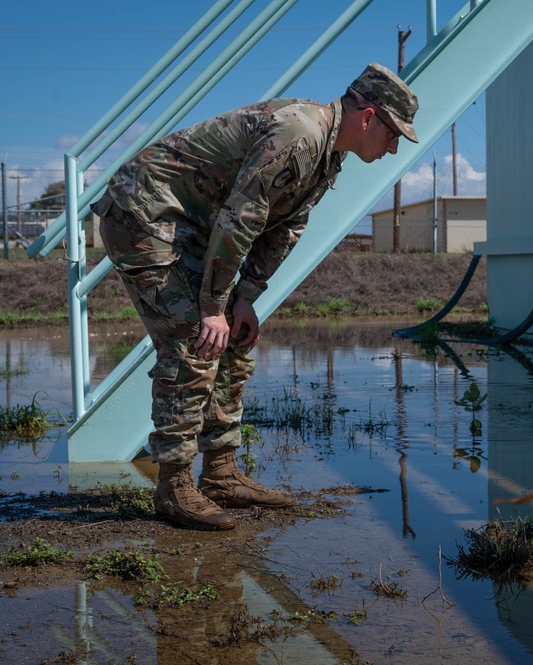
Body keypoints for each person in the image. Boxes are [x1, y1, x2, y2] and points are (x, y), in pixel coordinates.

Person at [93, 63, 419, 531]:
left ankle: (220, 474)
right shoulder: (299, 134)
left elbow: (286, 227)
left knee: (234, 339)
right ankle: (173, 485)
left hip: (197, 225)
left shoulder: (328, 154)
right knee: (193, 338)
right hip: (145, 211)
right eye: (392, 136)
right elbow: (241, 220)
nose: (392, 148)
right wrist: (211, 308)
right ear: (368, 117)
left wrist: (243, 299)